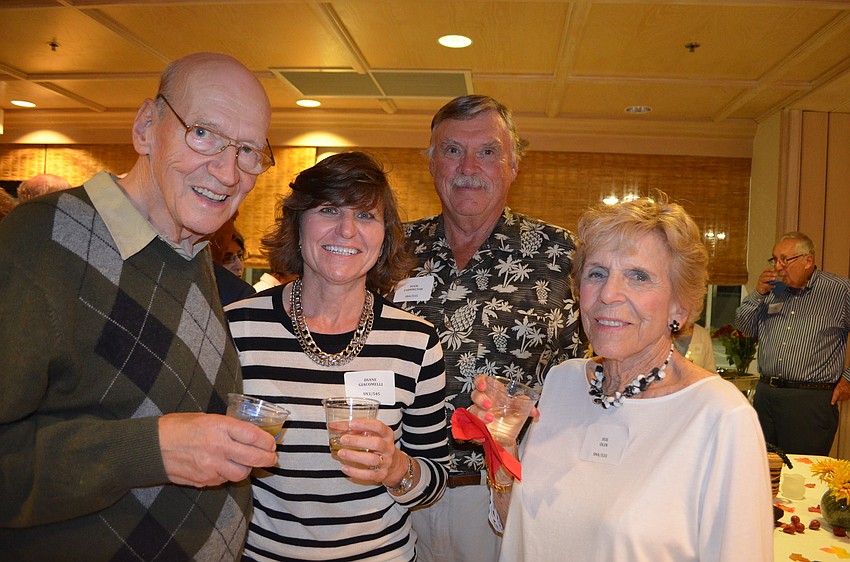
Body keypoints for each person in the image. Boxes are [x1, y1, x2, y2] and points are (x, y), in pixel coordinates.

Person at [0, 52, 280, 560]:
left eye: (247, 150)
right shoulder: (41, 241)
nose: (227, 170)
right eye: (203, 134)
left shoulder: (190, 248)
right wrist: (151, 451)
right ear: (146, 127)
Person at [470, 195, 773, 561]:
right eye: (596, 273)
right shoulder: (563, 384)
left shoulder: (720, 417)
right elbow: (523, 532)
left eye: (638, 276)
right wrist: (503, 451)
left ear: (680, 305)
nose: (609, 294)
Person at [225, 151, 450, 561]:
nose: (347, 230)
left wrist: (397, 468)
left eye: (366, 216)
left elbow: (435, 477)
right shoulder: (237, 328)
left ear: (384, 237)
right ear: (297, 225)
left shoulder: (414, 340)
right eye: (328, 210)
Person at [389, 94, 582, 562]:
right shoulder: (391, 250)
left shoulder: (564, 256)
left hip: (500, 496)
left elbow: (584, 383)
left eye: (488, 151)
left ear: (513, 165)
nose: (468, 165)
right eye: (452, 150)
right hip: (395, 491)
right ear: (432, 164)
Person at [736, 231, 850, 455]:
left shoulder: (840, 291)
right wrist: (758, 293)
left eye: (784, 260)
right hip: (767, 394)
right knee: (764, 470)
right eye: (775, 259)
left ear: (808, 260)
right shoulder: (772, 290)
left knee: (802, 475)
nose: (777, 266)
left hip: (809, 401)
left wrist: (848, 379)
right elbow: (744, 328)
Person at [211, 214, 256, 305]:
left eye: (240, 256)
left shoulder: (243, 293)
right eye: (227, 258)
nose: (239, 266)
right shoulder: (239, 294)